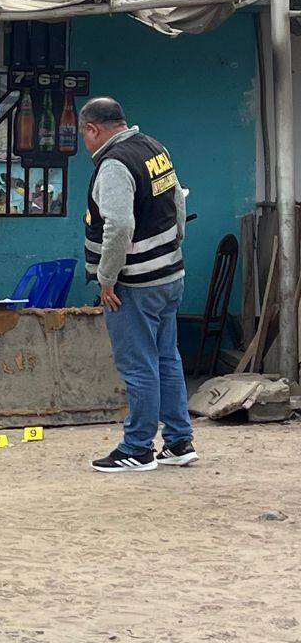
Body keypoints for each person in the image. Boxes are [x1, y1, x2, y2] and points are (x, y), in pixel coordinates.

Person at [80, 97, 196, 473]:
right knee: (166, 359)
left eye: (85, 134)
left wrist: (106, 279)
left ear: (93, 129)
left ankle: (138, 448)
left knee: (139, 365)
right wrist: (174, 243)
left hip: (135, 284)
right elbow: (178, 200)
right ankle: (179, 441)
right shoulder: (153, 148)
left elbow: (119, 226)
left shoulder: (114, 164)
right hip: (169, 276)